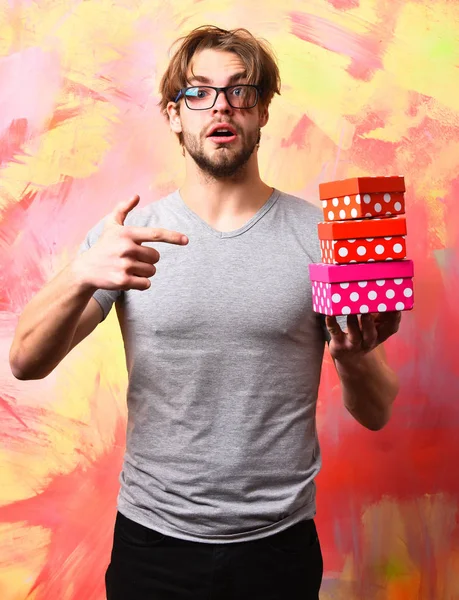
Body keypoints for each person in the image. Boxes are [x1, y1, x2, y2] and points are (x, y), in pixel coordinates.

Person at [9, 25, 401, 600]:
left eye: (240, 91)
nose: (221, 106)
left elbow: (377, 411)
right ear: (174, 115)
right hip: (153, 544)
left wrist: (355, 357)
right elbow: (24, 362)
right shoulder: (126, 238)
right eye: (199, 93)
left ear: (262, 110)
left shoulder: (324, 238)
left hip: (279, 547)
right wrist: (81, 272)